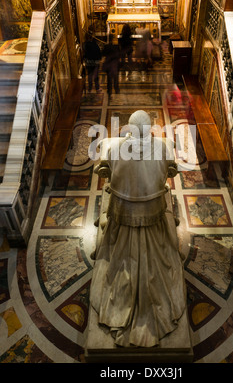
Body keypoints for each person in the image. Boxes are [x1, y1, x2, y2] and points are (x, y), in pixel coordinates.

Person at [90, 110, 187, 348]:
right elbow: (167, 173)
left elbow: (108, 175)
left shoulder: (114, 150)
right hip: (152, 213)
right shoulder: (163, 149)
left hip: (124, 215)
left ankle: (119, 309)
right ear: (150, 129)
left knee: (116, 261)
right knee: (160, 262)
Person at [102, 34, 120, 98]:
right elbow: (118, 55)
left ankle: (109, 91)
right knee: (115, 78)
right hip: (114, 64)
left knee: (109, 79)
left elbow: (103, 53)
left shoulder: (106, 46)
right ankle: (117, 89)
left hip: (108, 64)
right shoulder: (116, 46)